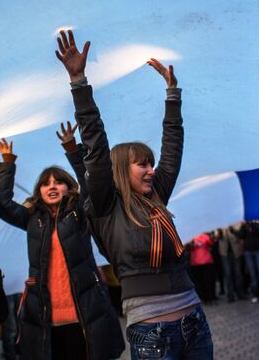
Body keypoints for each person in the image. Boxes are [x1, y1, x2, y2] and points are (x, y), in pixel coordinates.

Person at [55, 29, 213, 359]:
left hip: (195, 322)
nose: (151, 169)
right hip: (153, 334)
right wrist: (79, 84)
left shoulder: (156, 196)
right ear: (121, 172)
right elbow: (96, 149)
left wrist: (172, 95)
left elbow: (172, 148)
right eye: (142, 164)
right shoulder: (104, 205)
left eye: (151, 163)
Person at [0, 129, 124, 360]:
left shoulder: (81, 212)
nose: (52, 186)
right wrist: (7, 164)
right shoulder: (32, 219)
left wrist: (73, 150)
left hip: (85, 313)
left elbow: (92, 185)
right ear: (39, 191)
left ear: (69, 187)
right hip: (45, 319)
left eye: (58, 182)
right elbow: (0, 203)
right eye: (45, 184)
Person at [241, 221, 259, 303]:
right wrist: (243, 226)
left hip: (258, 250)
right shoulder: (244, 225)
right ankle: (255, 294)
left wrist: (254, 224)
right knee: (252, 274)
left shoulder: (258, 224)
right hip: (248, 251)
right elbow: (241, 235)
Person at [188, 232, 217, 305]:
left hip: (204, 262)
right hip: (197, 263)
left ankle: (208, 298)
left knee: (206, 281)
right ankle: (207, 298)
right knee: (203, 282)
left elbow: (211, 243)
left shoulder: (203, 236)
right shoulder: (192, 237)